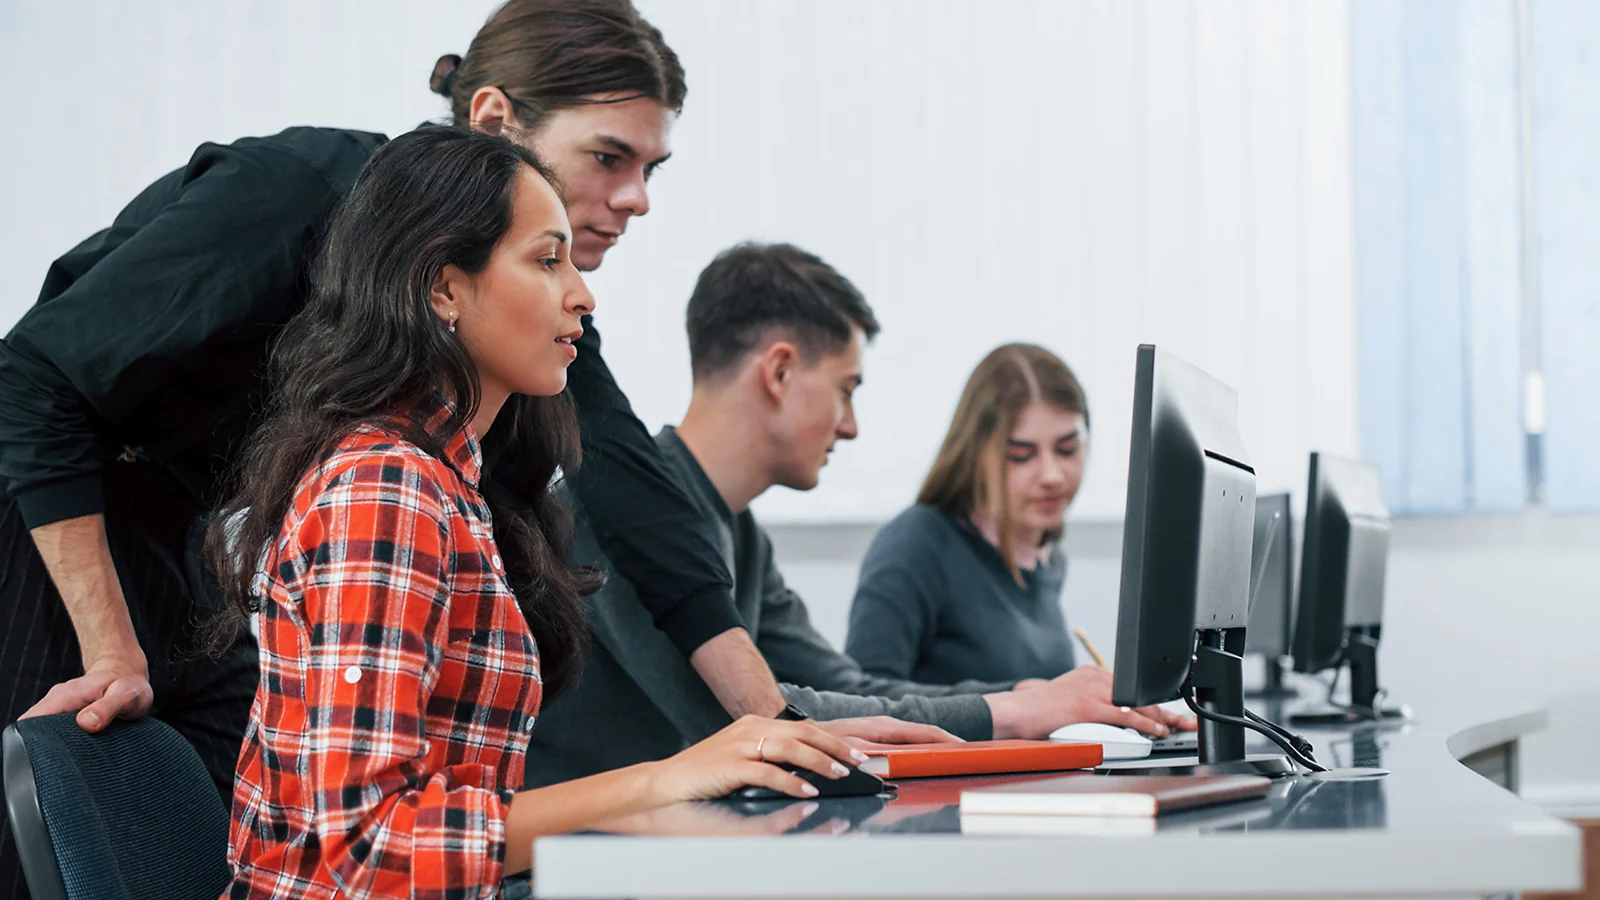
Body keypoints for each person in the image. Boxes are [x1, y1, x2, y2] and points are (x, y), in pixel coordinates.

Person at [0, 5, 790, 894]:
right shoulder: (297, 208)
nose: (637, 197)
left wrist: (776, 721)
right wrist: (111, 649)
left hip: (175, 534)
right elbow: (33, 381)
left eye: (652, 168)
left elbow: (634, 493)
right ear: (494, 120)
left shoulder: (462, 427)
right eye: (609, 157)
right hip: (47, 507)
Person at [218, 126, 864, 900]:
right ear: (444, 286)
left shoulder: (451, 483)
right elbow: (366, 845)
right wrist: (662, 782)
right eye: (545, 259)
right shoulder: (385, 488)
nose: (582, 293)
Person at [526, 245, 1191, 787]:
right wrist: (1016, 711)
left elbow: (843, 684)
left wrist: (1042, 697)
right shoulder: (620, 515)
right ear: (780, 372)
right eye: (845, 390)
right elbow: (746, 719)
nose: (850, 427)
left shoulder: (741, 534)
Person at [845, 344, 1100, 686]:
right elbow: (863, 702)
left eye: (1067, 449)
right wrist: (1026, 704)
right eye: (1021, 455)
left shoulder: (1046, 559)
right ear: (976, 455)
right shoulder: (917, 543)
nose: (1051, 475)